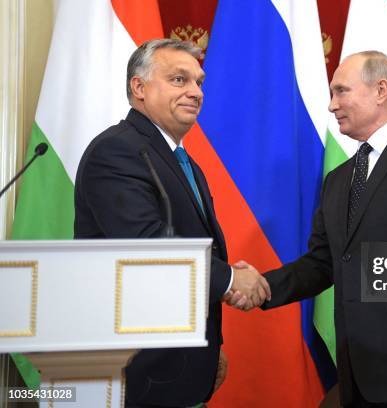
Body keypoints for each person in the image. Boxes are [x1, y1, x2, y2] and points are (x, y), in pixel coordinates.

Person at [230, 51, 387, 407]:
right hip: (358, 375)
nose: (332, 105)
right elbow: (323, 263)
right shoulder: (338, 179)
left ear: (380, 90)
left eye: (341, 91)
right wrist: (261, 287)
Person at [74, 39, 270, 407]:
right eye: (179, 80)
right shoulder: (116, 150)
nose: (195, 92)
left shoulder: (182, 160)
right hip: (134, 367)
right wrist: (230, 279)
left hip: (178, 361)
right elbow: (145, 245)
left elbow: (193, 244)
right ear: (139, 88)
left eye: (199, 82)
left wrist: (208, 348)